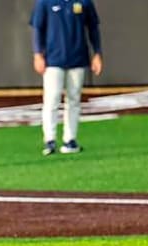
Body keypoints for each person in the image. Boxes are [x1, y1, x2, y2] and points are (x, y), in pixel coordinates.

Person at [30, 0, 102, 155]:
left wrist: (97, 53)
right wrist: (37, 54)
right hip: (53, 59)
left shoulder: (84, 2)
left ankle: (70, 139)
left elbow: (93, 27)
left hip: (77, 58)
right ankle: (49, 140)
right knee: (52, 99)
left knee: (74, 100)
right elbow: (38, 27)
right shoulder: (45, 2)